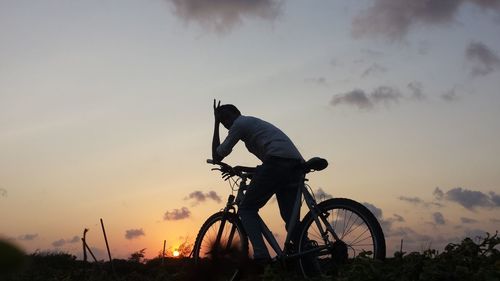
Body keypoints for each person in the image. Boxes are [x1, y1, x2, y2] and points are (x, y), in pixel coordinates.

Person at [211, 100, 304, 263]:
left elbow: (217, 155)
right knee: (293, 226)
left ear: (235, 113)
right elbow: (269, 166)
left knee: (246, 209)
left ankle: (261, 257)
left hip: (278, 162)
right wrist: (244, 168)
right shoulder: (252, 125)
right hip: (294, 165)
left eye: (225, 118)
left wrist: (215, 123)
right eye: (222, 120)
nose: (225, 123)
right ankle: (311, 269)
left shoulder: (240, 124)